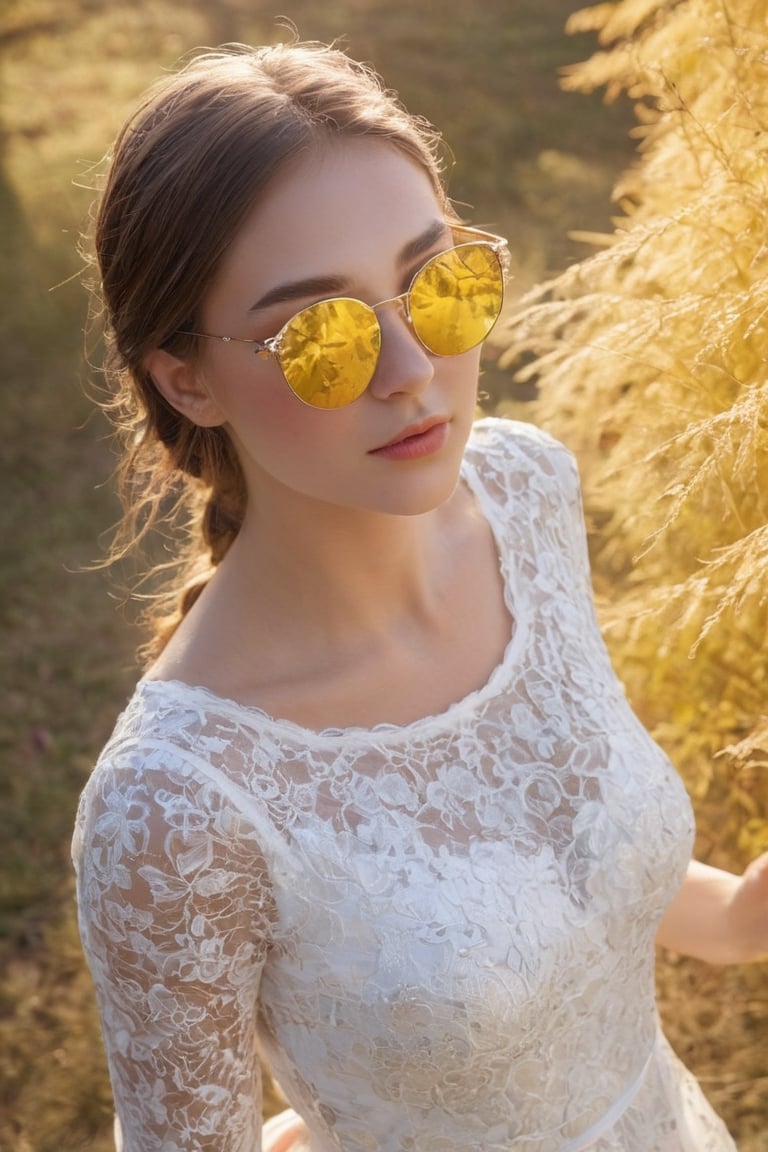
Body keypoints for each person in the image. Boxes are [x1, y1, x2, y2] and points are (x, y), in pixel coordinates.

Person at [71, 40, 768, 1152]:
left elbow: (563, 854)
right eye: (322, 337)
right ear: (187, 377)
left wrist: (736, 920)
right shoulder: (174, 814)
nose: (411, 369)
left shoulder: (525, 490)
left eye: (440, 285)